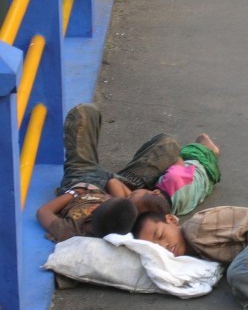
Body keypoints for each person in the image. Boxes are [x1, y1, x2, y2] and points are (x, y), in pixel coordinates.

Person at [36, 103, 182, 242]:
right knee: (168, 145)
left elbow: (43, 212)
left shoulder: (71, 230)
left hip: (82, 179)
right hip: (125, 185)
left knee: (84, 113)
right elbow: (113, 183)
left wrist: (74, 193)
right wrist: (127, 195)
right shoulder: (125, 217)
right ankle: (137, 193)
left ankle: (134, 194)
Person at [128, 133, 221, 216]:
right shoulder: (172, 179)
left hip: (207, 186)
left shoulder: (170, 210)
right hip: (204, 167)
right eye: (133, 194)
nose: (129, 194)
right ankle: (211, 150)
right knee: (184, 151)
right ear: (155, 192)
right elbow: (178, 159)